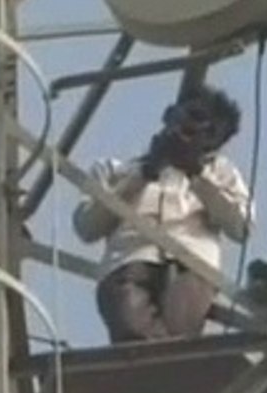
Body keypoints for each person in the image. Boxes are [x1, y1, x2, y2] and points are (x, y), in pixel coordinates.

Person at [72, 84, 254, 344]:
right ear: (170, 114)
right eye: (193, 116)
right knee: (131, 328)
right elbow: (86, 226)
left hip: (191, 268)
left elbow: (242, 226)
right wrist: (145, 172)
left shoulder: (220, 174)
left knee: (174, 340)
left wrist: (196, 174)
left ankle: (163, 374)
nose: (197, 130)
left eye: (211, 130)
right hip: (128, 262)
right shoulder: (113, 170)